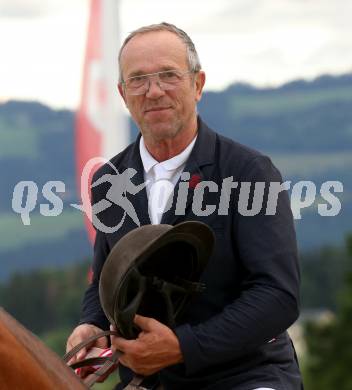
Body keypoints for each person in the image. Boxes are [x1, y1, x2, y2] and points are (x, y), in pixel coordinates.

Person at [67, 22, 303, 390]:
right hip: (147, 382)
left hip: (245, 376)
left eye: (168, 75)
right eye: (138, 79)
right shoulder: (107, 181)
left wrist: (183, 347)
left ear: (198, 84)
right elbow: (105, 281)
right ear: (122, 93)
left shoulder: (250, 172)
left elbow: (278, 295)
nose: (154, 91)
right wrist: (92, 325)